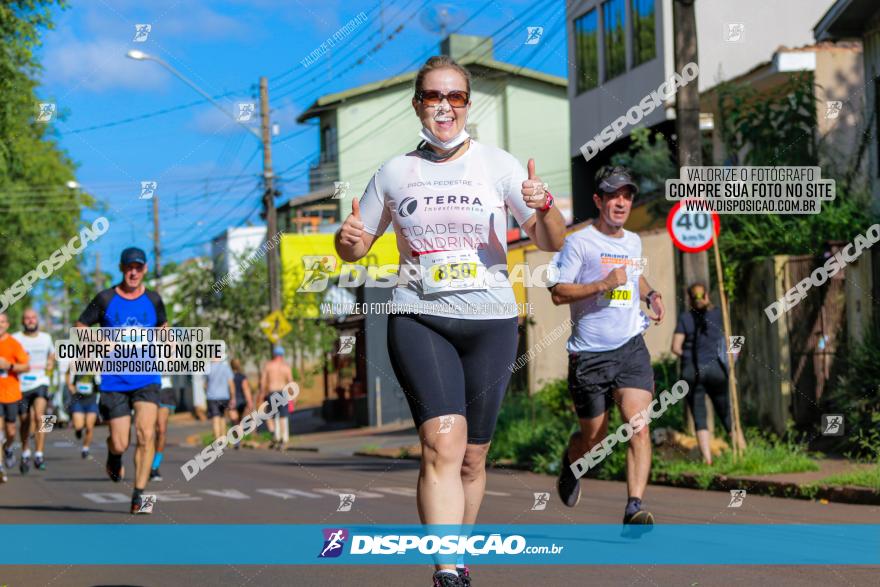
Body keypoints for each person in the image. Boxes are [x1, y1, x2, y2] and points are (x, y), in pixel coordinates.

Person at [334, 55, 565, 587]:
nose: (444, 106)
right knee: (442, 442)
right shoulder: (394, 172)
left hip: (491, 321)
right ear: (418, 103)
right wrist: (345, 243)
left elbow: (551, 241)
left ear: (466, 104)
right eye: (433, 96)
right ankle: (446, 570)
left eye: (454, 96)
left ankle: (458, 555)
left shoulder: (500, 166)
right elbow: (354, 246)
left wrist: (545, 204)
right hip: (419, 316)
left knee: (473, 459)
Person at [550, 165, 665, 525]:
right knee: (595, 443)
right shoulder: (578, 243)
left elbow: (634, 275)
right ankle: (572, 462)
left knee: (639, 424)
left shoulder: (633, 241)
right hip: (589, 356)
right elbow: (557, 292)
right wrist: (601, 284)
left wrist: (651, 294)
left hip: (630, 347)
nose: (621, 202)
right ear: (598, 200)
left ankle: (634, 507)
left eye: (627, 195)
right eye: (613, 195)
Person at [76, 247, 167, 514]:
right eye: (129, 267)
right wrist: (100, 340)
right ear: (121, 268)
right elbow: (80, 327)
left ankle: (139, 495)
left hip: (147, 378)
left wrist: (169, 342)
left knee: (146, 434)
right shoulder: (105, 299)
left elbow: (162, 327)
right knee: (120, 442)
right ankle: (113, 455)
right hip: (114, 380)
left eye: (138, 267)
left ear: (145, 269)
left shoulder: (153, 299)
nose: (134, 272)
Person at [671, 282, 746, 464]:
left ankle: (707, 459)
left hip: (692, 372)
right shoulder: (720, 314)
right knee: (727, 413)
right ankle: (743, 453)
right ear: (707, 296)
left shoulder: (685, 318)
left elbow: (675, 348)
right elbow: (733, 341)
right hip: (717, 370)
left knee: (699, 415)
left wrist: (688, 356)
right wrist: (732, 359)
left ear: (689, 298)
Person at [12, 309, 55, 473]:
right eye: (27, 318)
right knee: (24, 421)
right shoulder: (16, 338)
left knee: (41, 417)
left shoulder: (46, 338)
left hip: (40, 381)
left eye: (33, 318)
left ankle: (39, 453)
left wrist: (51, 362)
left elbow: (52, 354)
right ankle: (25, 452)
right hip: (21, 383)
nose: (30, 320)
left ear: (37, 320)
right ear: (23, 321)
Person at [0, 312, 30, 483]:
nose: (0, 324)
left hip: (11, 394)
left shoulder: (14, 344)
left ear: (7, 324)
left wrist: (9, 365)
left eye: (3, 321)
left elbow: (26, 366)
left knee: (11, 431)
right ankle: (0, 467)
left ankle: (9, 448)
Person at [258, 346, 293, 451]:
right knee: (282, 417)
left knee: (269, 415)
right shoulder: (286, 367)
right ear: (282, 355)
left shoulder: (268, 366)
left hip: (272, 392)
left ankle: (273, 434)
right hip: (283, 393)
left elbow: (263, 382)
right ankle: (282, 439)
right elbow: (291, 382)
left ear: (274, 354)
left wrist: (261, 393)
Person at [67, 372, 99, 459]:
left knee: (89, 427)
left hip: (91, 400)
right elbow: (67, 373)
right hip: (78, 400)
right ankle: (78, 431)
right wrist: (70, 385)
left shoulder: (96, 366)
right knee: (79, 426)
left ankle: (85, 449)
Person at [150, 375, 176, 481]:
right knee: (149, 431)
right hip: (148, 388)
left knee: (161, 430)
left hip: (165, 389)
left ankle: (155, 466)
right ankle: (146, 461)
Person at [205, 358, 235, 443]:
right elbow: (231, 383)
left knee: (215, 417)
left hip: (212, 397)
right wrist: (233, 396)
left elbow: (205, 384)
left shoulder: (208, 367)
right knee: (222, 417)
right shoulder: (226, 368)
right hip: (224, 396)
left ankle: (218, 441)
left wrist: (207, 392)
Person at [229, 359, 253, 449]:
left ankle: (237, 441)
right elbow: (246, 389)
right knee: (239, 420)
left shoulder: (228, 376)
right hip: (242, 401)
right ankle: (238, 439)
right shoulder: (242, 377)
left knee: (235, 421)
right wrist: (250, 401)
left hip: (233, 400)